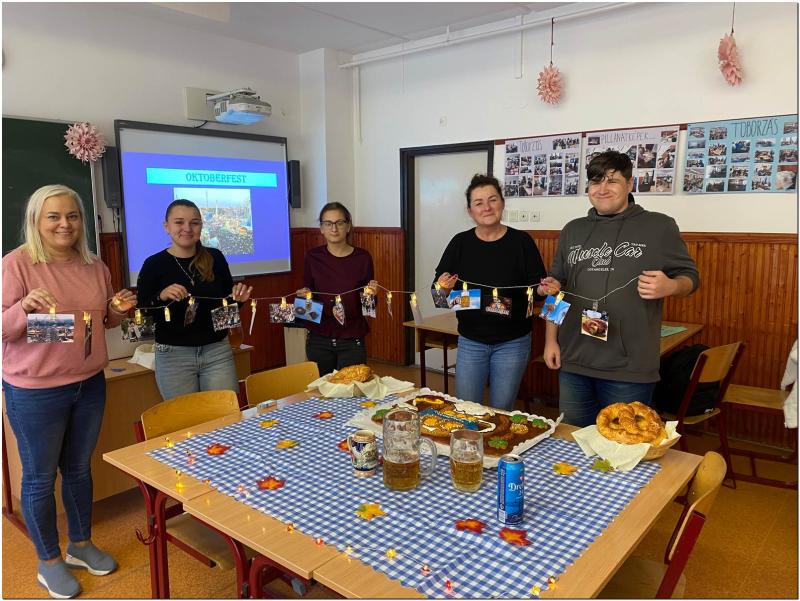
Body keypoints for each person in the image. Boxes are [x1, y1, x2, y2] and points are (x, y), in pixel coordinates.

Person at [2, 184, 137, 598]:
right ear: (36, 221)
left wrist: (116, 310)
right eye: (54, 216)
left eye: (73, 216)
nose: (65, 224)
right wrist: (23, 308)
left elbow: (100, 323)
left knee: (79, 469)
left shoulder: (95, 265)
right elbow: (5, 328)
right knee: (40, 478)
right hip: (36, 390)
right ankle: (48, 561)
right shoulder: (16, 264)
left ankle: (80, 544)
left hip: (89, 383)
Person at [544, 151, 700, 427]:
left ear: (629, 184)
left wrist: (671, 285)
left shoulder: (659, 226)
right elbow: (557, 288)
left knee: (625, 444)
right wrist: (550, 341)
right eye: (595, 182)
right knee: (572, 441)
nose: (602, 189)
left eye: (612, 181)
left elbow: (691, 278)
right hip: (574, 362)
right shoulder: (573, 230)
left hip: (629, 370)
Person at [434, 174, 560, 411]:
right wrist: (443, 287)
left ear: (502, 202)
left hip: (513, 342)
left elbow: (537, 291)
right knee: (466, 408)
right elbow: (439, 295)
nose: (487, 207)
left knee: (502, 410)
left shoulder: (522, 242)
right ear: (470, 210)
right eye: (479, 202)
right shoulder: (460, 243)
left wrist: (545, 288)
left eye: (492, 200)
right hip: (471, 340)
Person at [136, 199, 253, 400]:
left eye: (194, 223)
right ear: (166, 226)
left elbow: (225, 310)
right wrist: (161, 296)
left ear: (201, 226)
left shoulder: (215, 258)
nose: (187, 228)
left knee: (225, 413)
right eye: (179, 222)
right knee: (185, 417)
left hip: (217, 350)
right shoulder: (153, 264)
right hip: (173, 355)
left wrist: (239, 300)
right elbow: (142, 314)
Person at [296, 202, 378, 376]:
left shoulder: (363, 258)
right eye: (328, 223)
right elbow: (307, 306)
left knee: (352, 388)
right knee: (321, 389)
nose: (334, 228)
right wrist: (303, 299)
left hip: (352, 339)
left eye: (339, 223)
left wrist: (371, 296)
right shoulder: (313, 257)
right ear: (321, 228)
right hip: (319, 338)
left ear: (348, 226)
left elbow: (368, 308)